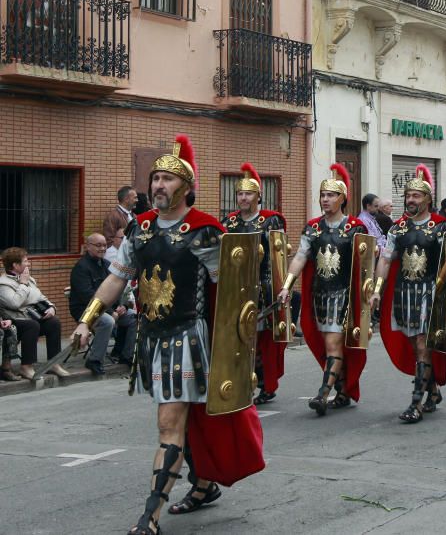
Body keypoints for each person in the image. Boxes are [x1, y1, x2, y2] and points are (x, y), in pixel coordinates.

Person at [71, 135, 264, 533]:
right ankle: (204, 484)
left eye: (167, 179)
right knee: (184, 421)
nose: (158, 185)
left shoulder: (205, 231)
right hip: (152, 339)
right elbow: (116, 279)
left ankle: (150, 517)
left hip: (188, 339)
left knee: (169, 423)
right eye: (155, 177)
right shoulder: (139, 229)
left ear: (186, 187)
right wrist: (88, 319)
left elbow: (228, 291)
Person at [279, 164, 370, 416]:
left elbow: (364, 265)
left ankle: (323, 393)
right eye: (323, 195)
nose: (325, 199)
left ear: (342, 199)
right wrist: (287, 285)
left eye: (331, 195)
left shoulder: (355, 228)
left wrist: (367, 295)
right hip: (319, 295)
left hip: (342, 296)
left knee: (333, 345)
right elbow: (300, 257)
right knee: (328, 346)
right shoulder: (312, 227)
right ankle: (342, 391)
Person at [369, 165, 446, 423]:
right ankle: (432, 390)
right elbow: (386, 260)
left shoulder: (441, 228)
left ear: (428, 199)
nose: (410, 200)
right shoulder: (398, 229)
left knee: (421, 345)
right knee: (412, 343)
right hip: (403, 294)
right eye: (408, 195)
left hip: (429, 293)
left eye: (416, 196)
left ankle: (415, 403)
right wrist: (377, 289)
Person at [224, 162, 287, 406]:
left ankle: (264, 384)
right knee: (240, 337)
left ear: (258, 196)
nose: (243, 198)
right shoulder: (229, 223)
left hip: (263, 287)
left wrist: (280, 287)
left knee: (261, 339)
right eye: (240, 193)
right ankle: (241, 381)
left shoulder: (271, 221)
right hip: (235, 288)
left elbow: (278, 257)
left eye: (248, 193)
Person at [0, 247, 68, 379]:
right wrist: (23, 285)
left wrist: (52, 307)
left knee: (53, 322)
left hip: (31, 317)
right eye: (25, 261)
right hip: (13, 320)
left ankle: (54, 364)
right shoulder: (3, 284)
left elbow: (40, 297)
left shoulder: (29, 279)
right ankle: (26, 367)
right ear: (15, 265)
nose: (28, 264)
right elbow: (15, 303)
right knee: (32, 325)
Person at [69, 233, 124, 375]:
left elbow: (115, 289)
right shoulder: (81, 267)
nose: (103, 248)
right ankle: (94, 360)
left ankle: (122, 354)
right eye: (98, 245)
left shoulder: (106, 265)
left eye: (105, 245)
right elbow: (87, 296)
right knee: (107, 321)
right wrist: (111, 311)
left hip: (106, 308)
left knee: (132, 316)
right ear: (88, 246)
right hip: (84, 309)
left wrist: (120, 306)